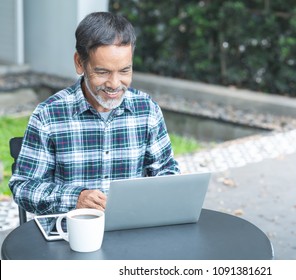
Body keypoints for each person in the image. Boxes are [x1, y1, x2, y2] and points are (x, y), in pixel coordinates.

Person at [9, 12, 180, 223]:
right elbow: (23, 187)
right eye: (102, 72)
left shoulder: (147, 110)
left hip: (131, 231)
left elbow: (167, 172)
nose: (115, 84)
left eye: (125, 70)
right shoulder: (48, 116)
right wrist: (75, 198)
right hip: (67, 235)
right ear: (80, 63)